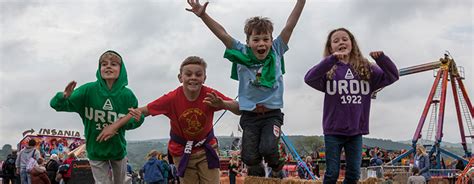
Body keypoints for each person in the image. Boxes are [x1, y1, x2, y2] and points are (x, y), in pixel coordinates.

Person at [186, 0, 306, 178]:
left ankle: (277, 168)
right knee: (249, 157)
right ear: (248, 41)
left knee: (268, 148)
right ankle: (256, 179)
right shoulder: (240, 52)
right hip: (249, 115)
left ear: (272, 41)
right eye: (256, 40)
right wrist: (203, 15)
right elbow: (222, 34)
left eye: (266, 39)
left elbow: (290, 25)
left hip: (272, 114)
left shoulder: (277, 50)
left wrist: (301, 1)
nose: (261, 44)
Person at [96, 56, 241, 184]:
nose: (193, 78)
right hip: (182, 151)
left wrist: (223, 104)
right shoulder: (171, 99)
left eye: (198, 74)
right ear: (180, 77)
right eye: (188, 74)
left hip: (206, 149)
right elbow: (142, 111)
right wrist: (114, 126)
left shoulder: (210, 95)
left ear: (204, 78)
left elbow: (238, 108)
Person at [304, 27, 399, 183]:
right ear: (330, 48)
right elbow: (309, 78)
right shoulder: (329, 70)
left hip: (355, 131)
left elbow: (393, 76)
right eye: (335, 41)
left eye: (344, 39)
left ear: (352, 43)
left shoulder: (366, 68)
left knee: (353, 174)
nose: (341, 42)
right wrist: (331, 60)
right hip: (333, 131)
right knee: (332, 173)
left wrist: (382, 59)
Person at [50, 50, 145, 184]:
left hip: (117, 149)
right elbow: (58, 105)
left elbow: (133, 121)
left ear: (121, 69)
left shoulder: (127, 95)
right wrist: (63, 96)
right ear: (99, 68)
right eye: (104, 64)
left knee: (123, 182)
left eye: (113, 64)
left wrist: (137, 118)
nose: (108, 67)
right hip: (96, 149)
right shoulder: (88, 91)